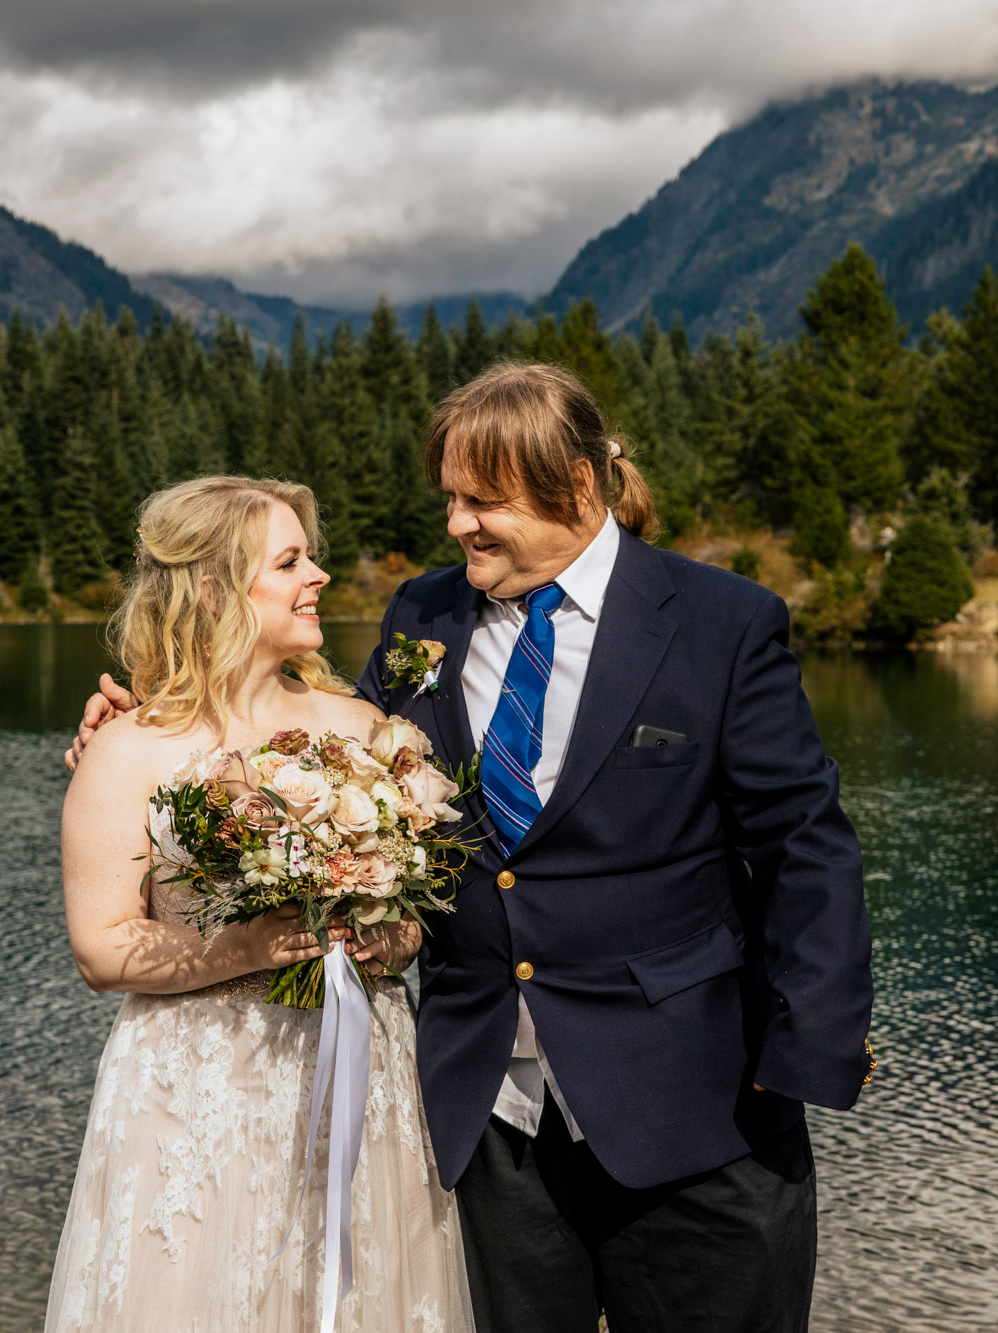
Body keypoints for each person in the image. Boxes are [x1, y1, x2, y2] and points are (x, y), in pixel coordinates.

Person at [71, 363, 872, 1332]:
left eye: (481, 501)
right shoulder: (425, 617)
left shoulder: (717, 622)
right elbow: (320, 755)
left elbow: (804, 846)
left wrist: (806, 1053)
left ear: (577, 487)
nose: (456, 524)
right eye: (449, 498)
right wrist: (140, 728)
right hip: (487, 1133)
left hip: (693, 1118)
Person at [46, 476, 474, 1332]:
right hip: (196, 1089)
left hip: (360, 1072)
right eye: (290, 561)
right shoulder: (129, 749)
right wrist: (253, 948)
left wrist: (386, 938)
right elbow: (99, 948)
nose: (318, 575)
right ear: (213, 589)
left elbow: (416, 915)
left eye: (309, 555)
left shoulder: (362, 729)